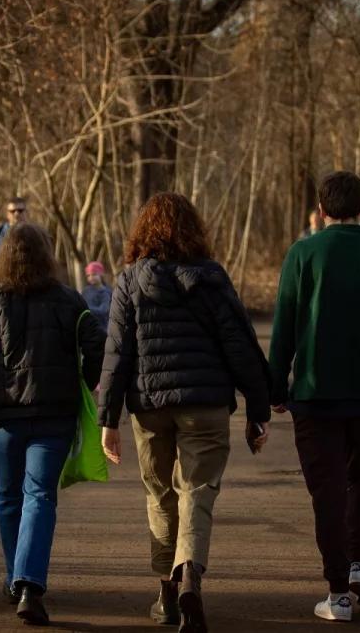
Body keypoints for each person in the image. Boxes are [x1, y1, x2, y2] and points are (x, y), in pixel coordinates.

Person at [98, 193, 271, 633]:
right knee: (197, 490)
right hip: (206, 403)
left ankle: (167, 595)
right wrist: (258, 408)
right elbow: (240, 345)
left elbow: (116, 353)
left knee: (160, 495)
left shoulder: (130, 280)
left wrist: (108, 420)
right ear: (195, 230)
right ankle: (190, 571)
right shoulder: (211, 278)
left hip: (150, 405)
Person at [0, 222, 105, 626]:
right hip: (54, 416)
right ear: (47, 257)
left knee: (9, 497)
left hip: (5, 419)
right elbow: (98, 345)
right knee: (40, 495)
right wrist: (91, 383)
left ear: (4, 258)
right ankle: (29, 584)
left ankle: (16, 580)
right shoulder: (69, 300)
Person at [269, 171, 360, 623]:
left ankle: (337, 592)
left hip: (316, 395)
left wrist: (275, 388)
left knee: (327, 491)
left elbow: (285, 327)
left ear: (320, 211)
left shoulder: (303, 254)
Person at [82, 261, 112, 330]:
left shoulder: (105, 292)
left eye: (94, 274)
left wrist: (87, 309)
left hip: (102, 327)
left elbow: (104, 310)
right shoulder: (86, 291)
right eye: (88, 275)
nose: (91, 277)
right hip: (88, 327)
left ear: (101, 275)